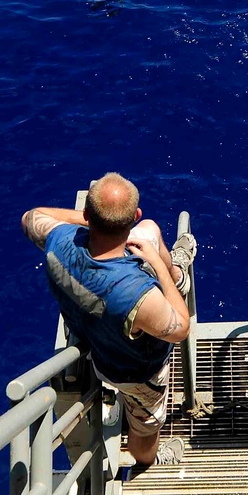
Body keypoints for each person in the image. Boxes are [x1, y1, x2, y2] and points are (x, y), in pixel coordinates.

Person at [22, 174, 196, 465]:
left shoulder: (58, 242)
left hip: (96, 337)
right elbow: (180, 328)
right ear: (133, 216)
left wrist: (98, 219)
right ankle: (147, 458)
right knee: (147, 422)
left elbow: (32, 216)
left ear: (88, 215)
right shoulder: (139, 296)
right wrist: (156, 264)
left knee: (149, 230)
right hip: (134, 372)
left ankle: (177, 275)